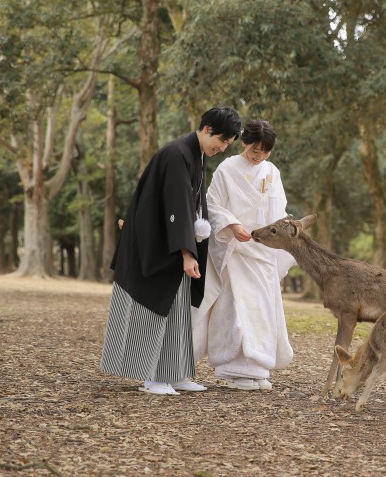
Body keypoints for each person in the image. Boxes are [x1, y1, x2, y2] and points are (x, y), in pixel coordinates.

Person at [99, 107, 242, 395]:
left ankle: (174, 373)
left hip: (170, 245)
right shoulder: (177, 154)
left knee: (177, 311)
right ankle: (151, 377)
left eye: (228, 145)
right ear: (208, 129)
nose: (223, 148)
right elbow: (176, 208)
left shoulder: (194, 155)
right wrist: (187, 253)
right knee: (152, 308)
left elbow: (191, 206)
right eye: (223, 141)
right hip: (155, 246)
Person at [192, 119, 296, 391]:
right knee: (234, 308)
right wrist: (232, 225)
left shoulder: (272, 172)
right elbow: (211, 204)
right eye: (253, 150)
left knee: (261, 307)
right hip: (235, 249)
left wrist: (281, 234)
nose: (256, 156)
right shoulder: (227, 168)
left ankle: (258, 367)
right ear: (244, 143)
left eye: (263, 152)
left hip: (262, 250)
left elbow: (278, 209)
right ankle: (232, 368)